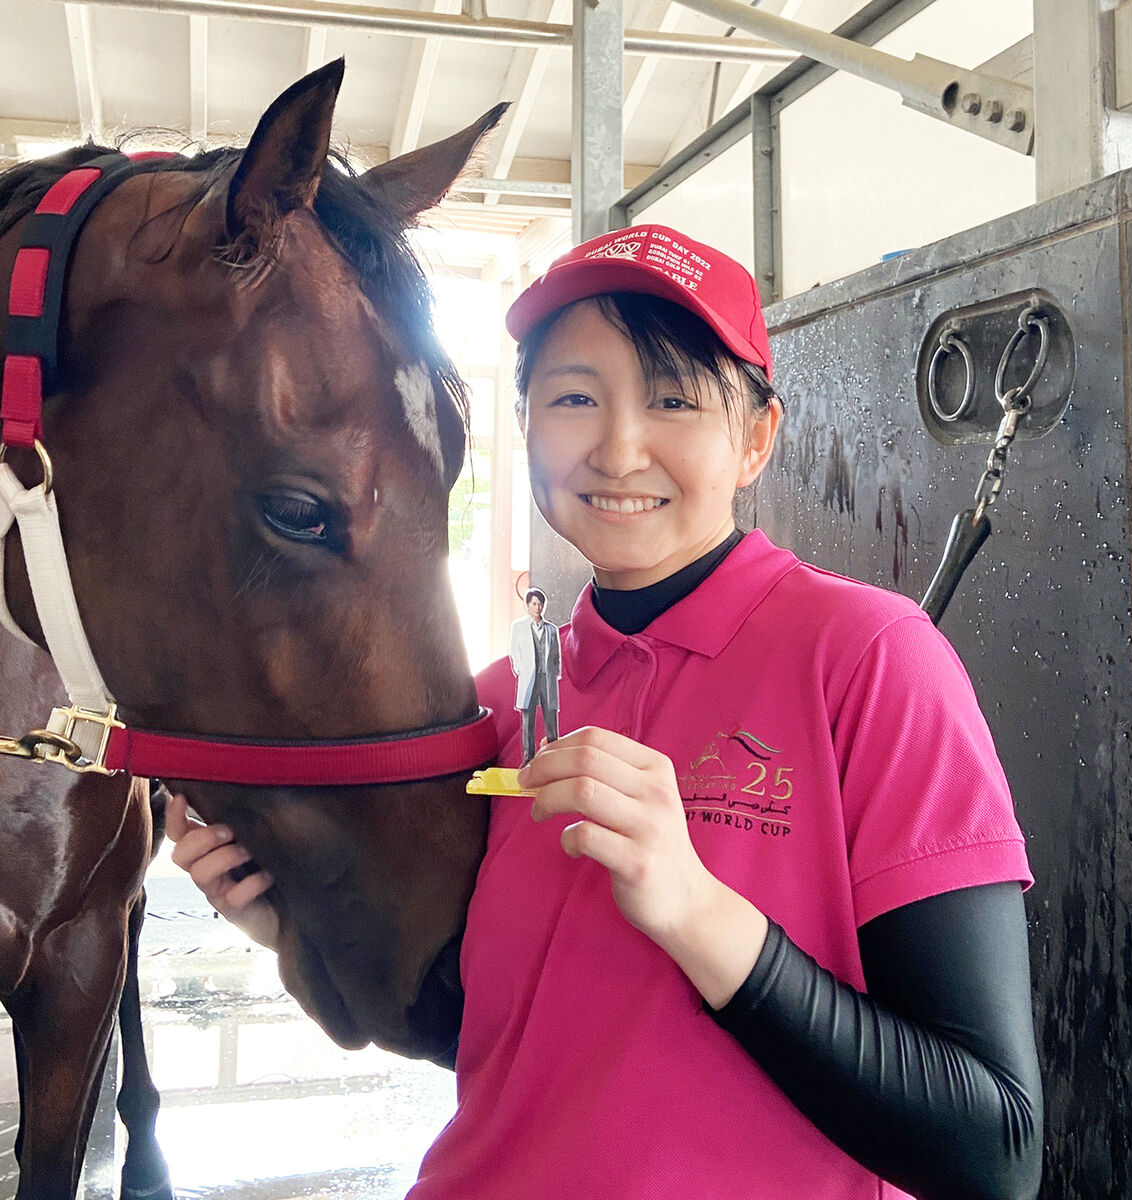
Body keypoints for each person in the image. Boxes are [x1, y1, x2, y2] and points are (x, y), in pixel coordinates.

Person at [168, 223, 1043, 1199]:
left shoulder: (868, 662)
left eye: (673, 400)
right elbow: (471, 1032)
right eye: (574, 398)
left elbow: (992, 1149)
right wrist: (280, 921)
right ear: (527, 428)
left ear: (755, 439)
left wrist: (699, 914)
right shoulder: (496, 710)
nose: (619, 449)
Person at [507, 585, 561, 763]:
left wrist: (555, 673)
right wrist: (521, 670)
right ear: (528, 605)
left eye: (540, 604)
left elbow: (555, 655)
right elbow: (515, 651)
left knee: (550, 717)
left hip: (547, 678)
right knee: (527, 720)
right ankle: (527, 758)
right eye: (535, 603)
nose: (538, 607)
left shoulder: (552, 629)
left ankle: (553, 756)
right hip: (529, 677)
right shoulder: (519, 627)